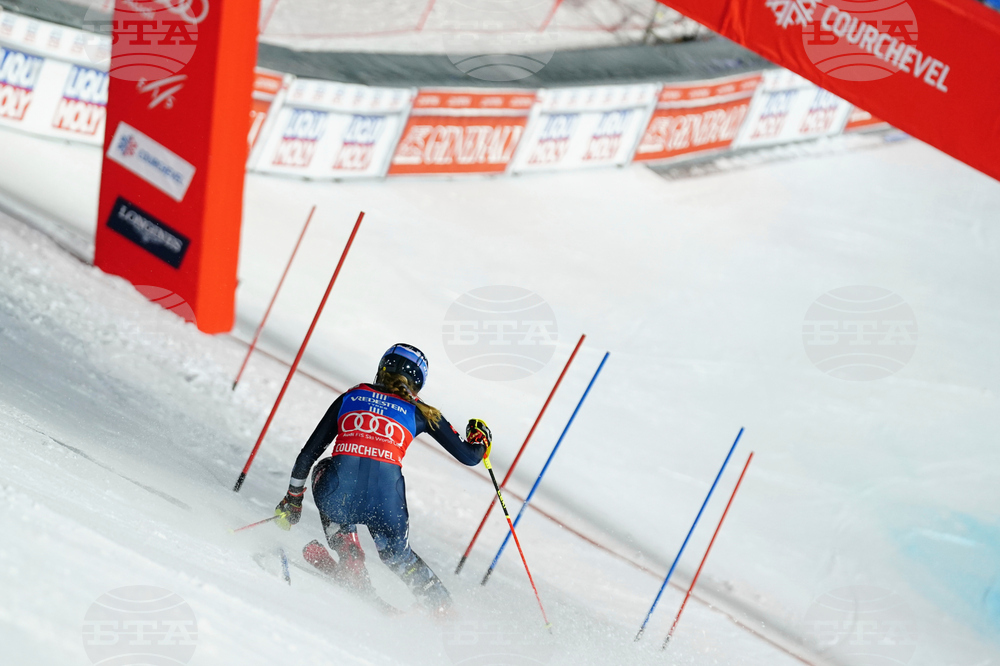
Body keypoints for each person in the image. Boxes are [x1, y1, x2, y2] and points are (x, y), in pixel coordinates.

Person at [274, 343, 492, 613]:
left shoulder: (352, 396)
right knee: (399, 557)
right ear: (418, 383)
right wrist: (481, 437)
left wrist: (293, 501)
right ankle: (443, 610)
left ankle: (350, 561)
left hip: (338, 497)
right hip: (386, 507)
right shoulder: (422, 411)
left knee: (324, 468)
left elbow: (306, 456)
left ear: (381, 369)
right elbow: (471, 456)